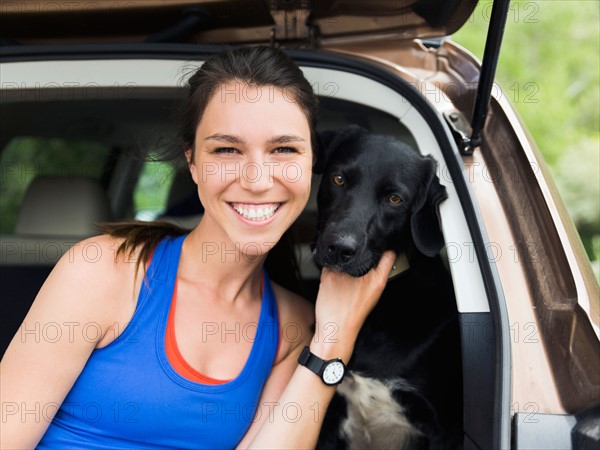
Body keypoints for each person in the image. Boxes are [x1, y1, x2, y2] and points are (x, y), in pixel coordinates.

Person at [0, 46, 395, 449]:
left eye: (283, 150)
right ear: (192, 162)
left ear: (311, 162)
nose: (257, 180)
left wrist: (334, 339)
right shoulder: (102, 271)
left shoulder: (292, 326)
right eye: (227, 149)